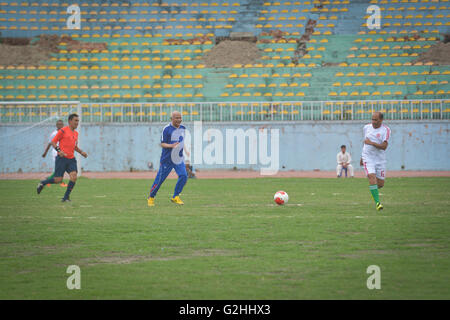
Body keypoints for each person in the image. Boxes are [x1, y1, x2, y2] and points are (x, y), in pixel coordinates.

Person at [37, 114, 88, 202]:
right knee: (58, 180)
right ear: (70, 121)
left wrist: (81, 152)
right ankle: (43, 183)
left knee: (74, 176)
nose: (77, 123)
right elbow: (53, 142)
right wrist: (59, 151)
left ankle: (66, 197)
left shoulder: (76, 133)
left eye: (78, 121)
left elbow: (74, 146)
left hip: (71, 159)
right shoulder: (63, 131)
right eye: (75, 120)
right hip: (62, 159)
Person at [147, 111, 188, 206]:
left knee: (184, 176)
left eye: (180, 117)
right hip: (167, 159)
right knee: (160, 180)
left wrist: (184, 149)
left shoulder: (183, 128)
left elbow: (181, 142)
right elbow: (162, 143)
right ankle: (151, 197)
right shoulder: (166, 129)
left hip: (178, 158)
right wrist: (171, 146)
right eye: (176, 118)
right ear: (172, 119)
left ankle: (176, 196)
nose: (179, 120)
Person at [360, 112, 391, 211]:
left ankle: (372, 187)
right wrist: (362, 157)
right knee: (371, 176)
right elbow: (365, 142)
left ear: (381, 120)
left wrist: (372, 143)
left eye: (375, 120)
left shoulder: (385, 130)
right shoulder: (366, 128)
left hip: (379, 159)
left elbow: (384, 147)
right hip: (368, 157)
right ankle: (378, 203)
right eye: (372, 119)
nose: (373, 122)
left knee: (380, 184)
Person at [42, 119, 68, 187]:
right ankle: (51, 181)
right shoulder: (54, 133)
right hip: (56, 152)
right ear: (56, 125)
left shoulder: (65, 132)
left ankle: (48, 180)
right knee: (60, 168)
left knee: (61, 168)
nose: (60, 126)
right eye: (58, 124)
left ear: (63, 125)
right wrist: (45, 153)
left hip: (62, 152)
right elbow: (50, 143)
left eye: (61, 124)